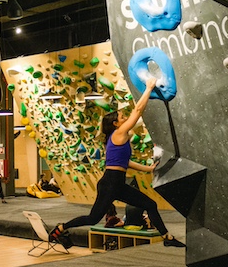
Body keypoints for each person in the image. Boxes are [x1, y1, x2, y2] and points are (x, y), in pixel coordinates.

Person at [49, 76, 185, 248]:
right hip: (110, 183)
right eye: (121, 117)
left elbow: (124, 163)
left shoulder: (117, 139)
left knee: (150, 204)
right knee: (92, 218)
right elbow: (137, 111)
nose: (124, 118)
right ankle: (61, 227)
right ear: (115, 124)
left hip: (117, 183)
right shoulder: (119, 133)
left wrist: (147, 168)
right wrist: (148, 88)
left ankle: (167, 237)